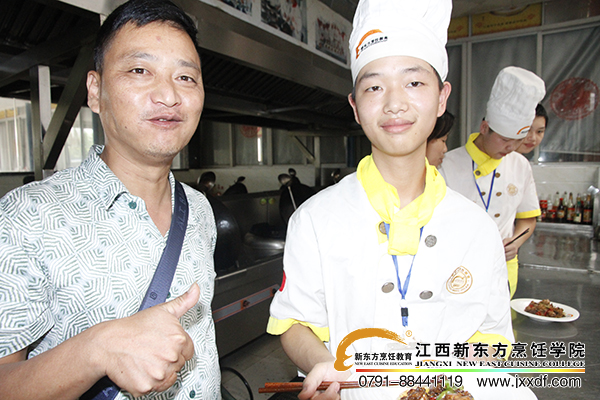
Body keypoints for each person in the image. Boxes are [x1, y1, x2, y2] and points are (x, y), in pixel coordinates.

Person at [267, 1, 514, 399]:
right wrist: (322, 363)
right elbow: (294, 322)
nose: (394, 103)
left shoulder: (477, 228)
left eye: (414, 83)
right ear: (355, 107)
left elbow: (493, 337)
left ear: (442, 97)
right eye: (374, 87)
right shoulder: (315, 219)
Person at [0, 1, 221, 399]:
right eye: (140, 71)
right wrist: (96, 350)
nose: (169, 95)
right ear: (95, 90)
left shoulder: (199, 209)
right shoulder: (27, 216)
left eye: (186, 77)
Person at [440, 66, 546, 299]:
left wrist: (516, 242)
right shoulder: (447, 164)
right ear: (485, 128)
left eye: (517, 140)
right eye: (505, 139)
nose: (511, 147)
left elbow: (528, 218)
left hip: (503, 269)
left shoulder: (520, 165)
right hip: (459, 268)